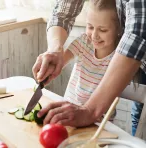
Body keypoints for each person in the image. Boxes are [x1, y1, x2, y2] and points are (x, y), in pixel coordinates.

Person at [32, 0, 145, 134]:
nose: (94, 35)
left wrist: (90, 111)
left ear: (119, 30)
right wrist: (54, 53)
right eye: (90, 27)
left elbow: (137, 36)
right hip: (74, 113)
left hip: (100, 122)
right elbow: (62, 12)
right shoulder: (84, 42)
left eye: (102, 30)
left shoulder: (117, 57)